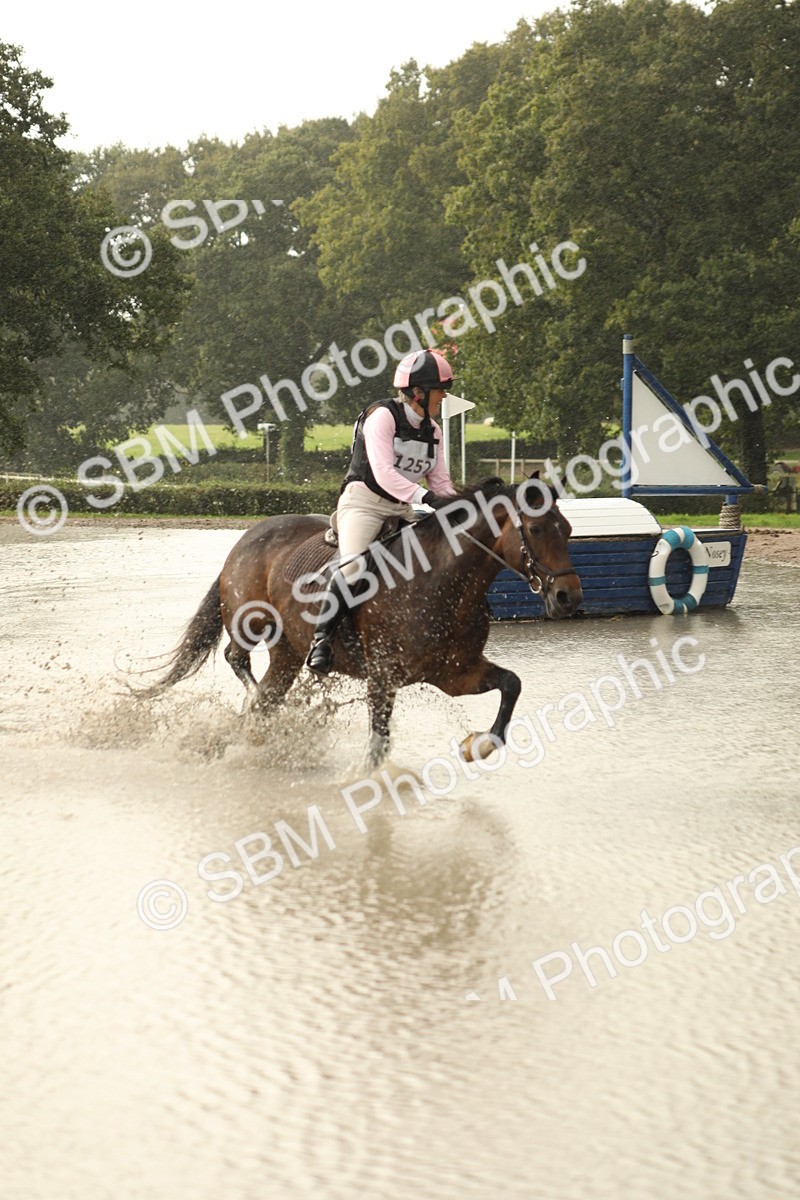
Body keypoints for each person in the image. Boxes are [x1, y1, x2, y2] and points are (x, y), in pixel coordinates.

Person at [305, 347, 459, 674]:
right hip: (365, 502)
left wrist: (462, 507)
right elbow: (384, 474)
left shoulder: (433, 430)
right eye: (440, 391)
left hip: (404, 507)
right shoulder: (382, 417)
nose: (444, 397)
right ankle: (321, 640)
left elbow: (442, 482)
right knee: (352, 568)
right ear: (418, 392)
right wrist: (427, 499)